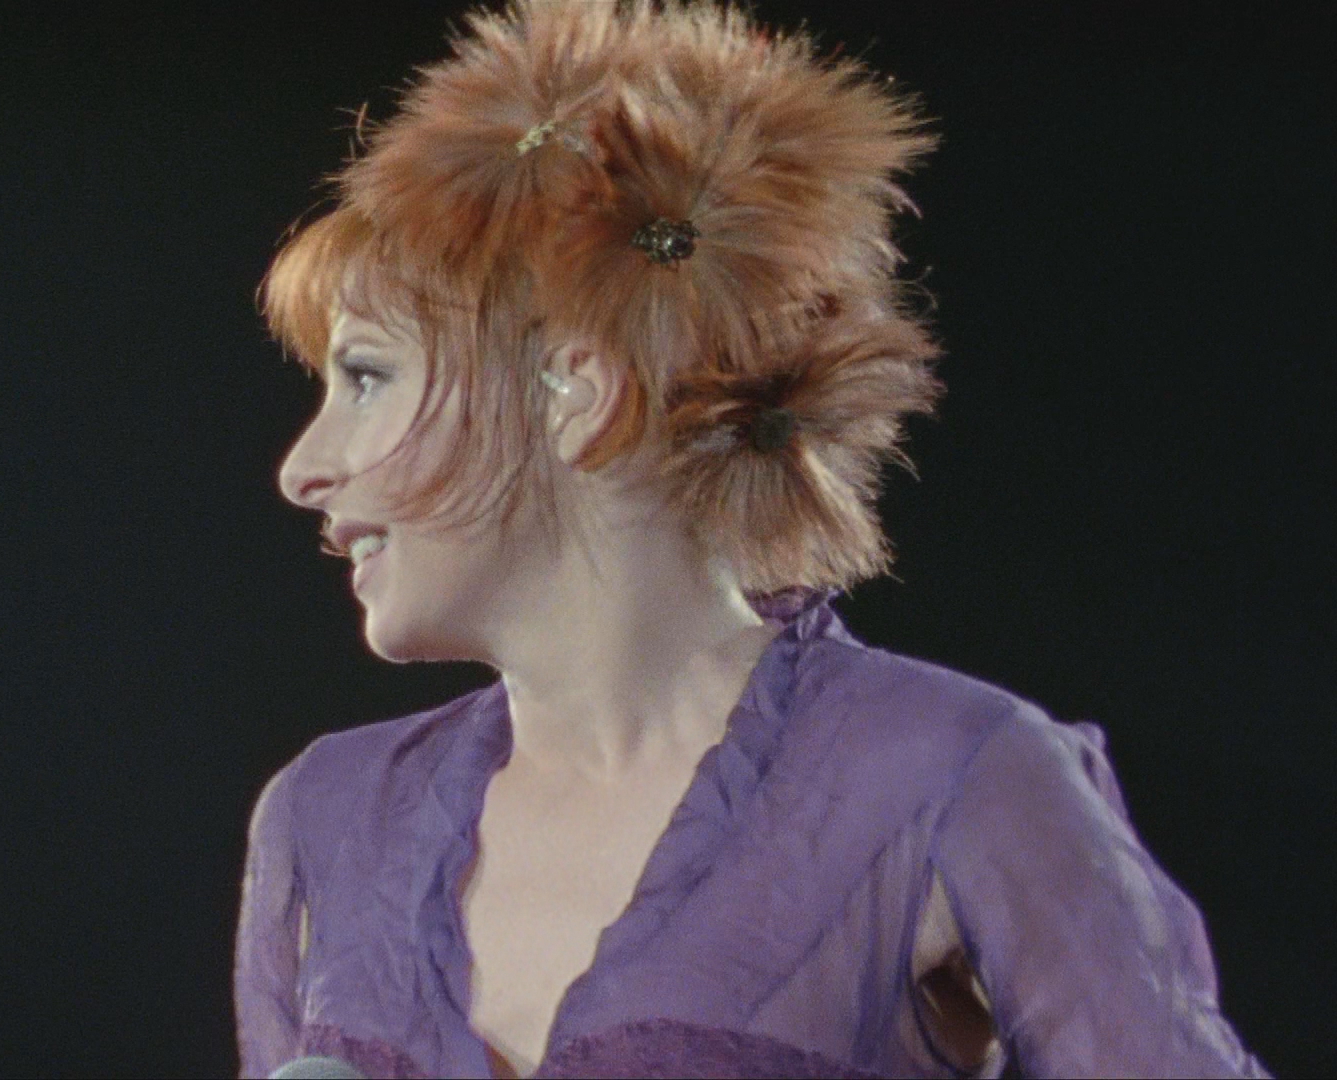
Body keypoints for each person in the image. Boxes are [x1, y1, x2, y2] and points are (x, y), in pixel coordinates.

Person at [234, 2, 1268, 1077]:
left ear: (574, 393)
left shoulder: (943, 775)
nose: (302, 467)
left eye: (366, 377)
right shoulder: (328, 821)